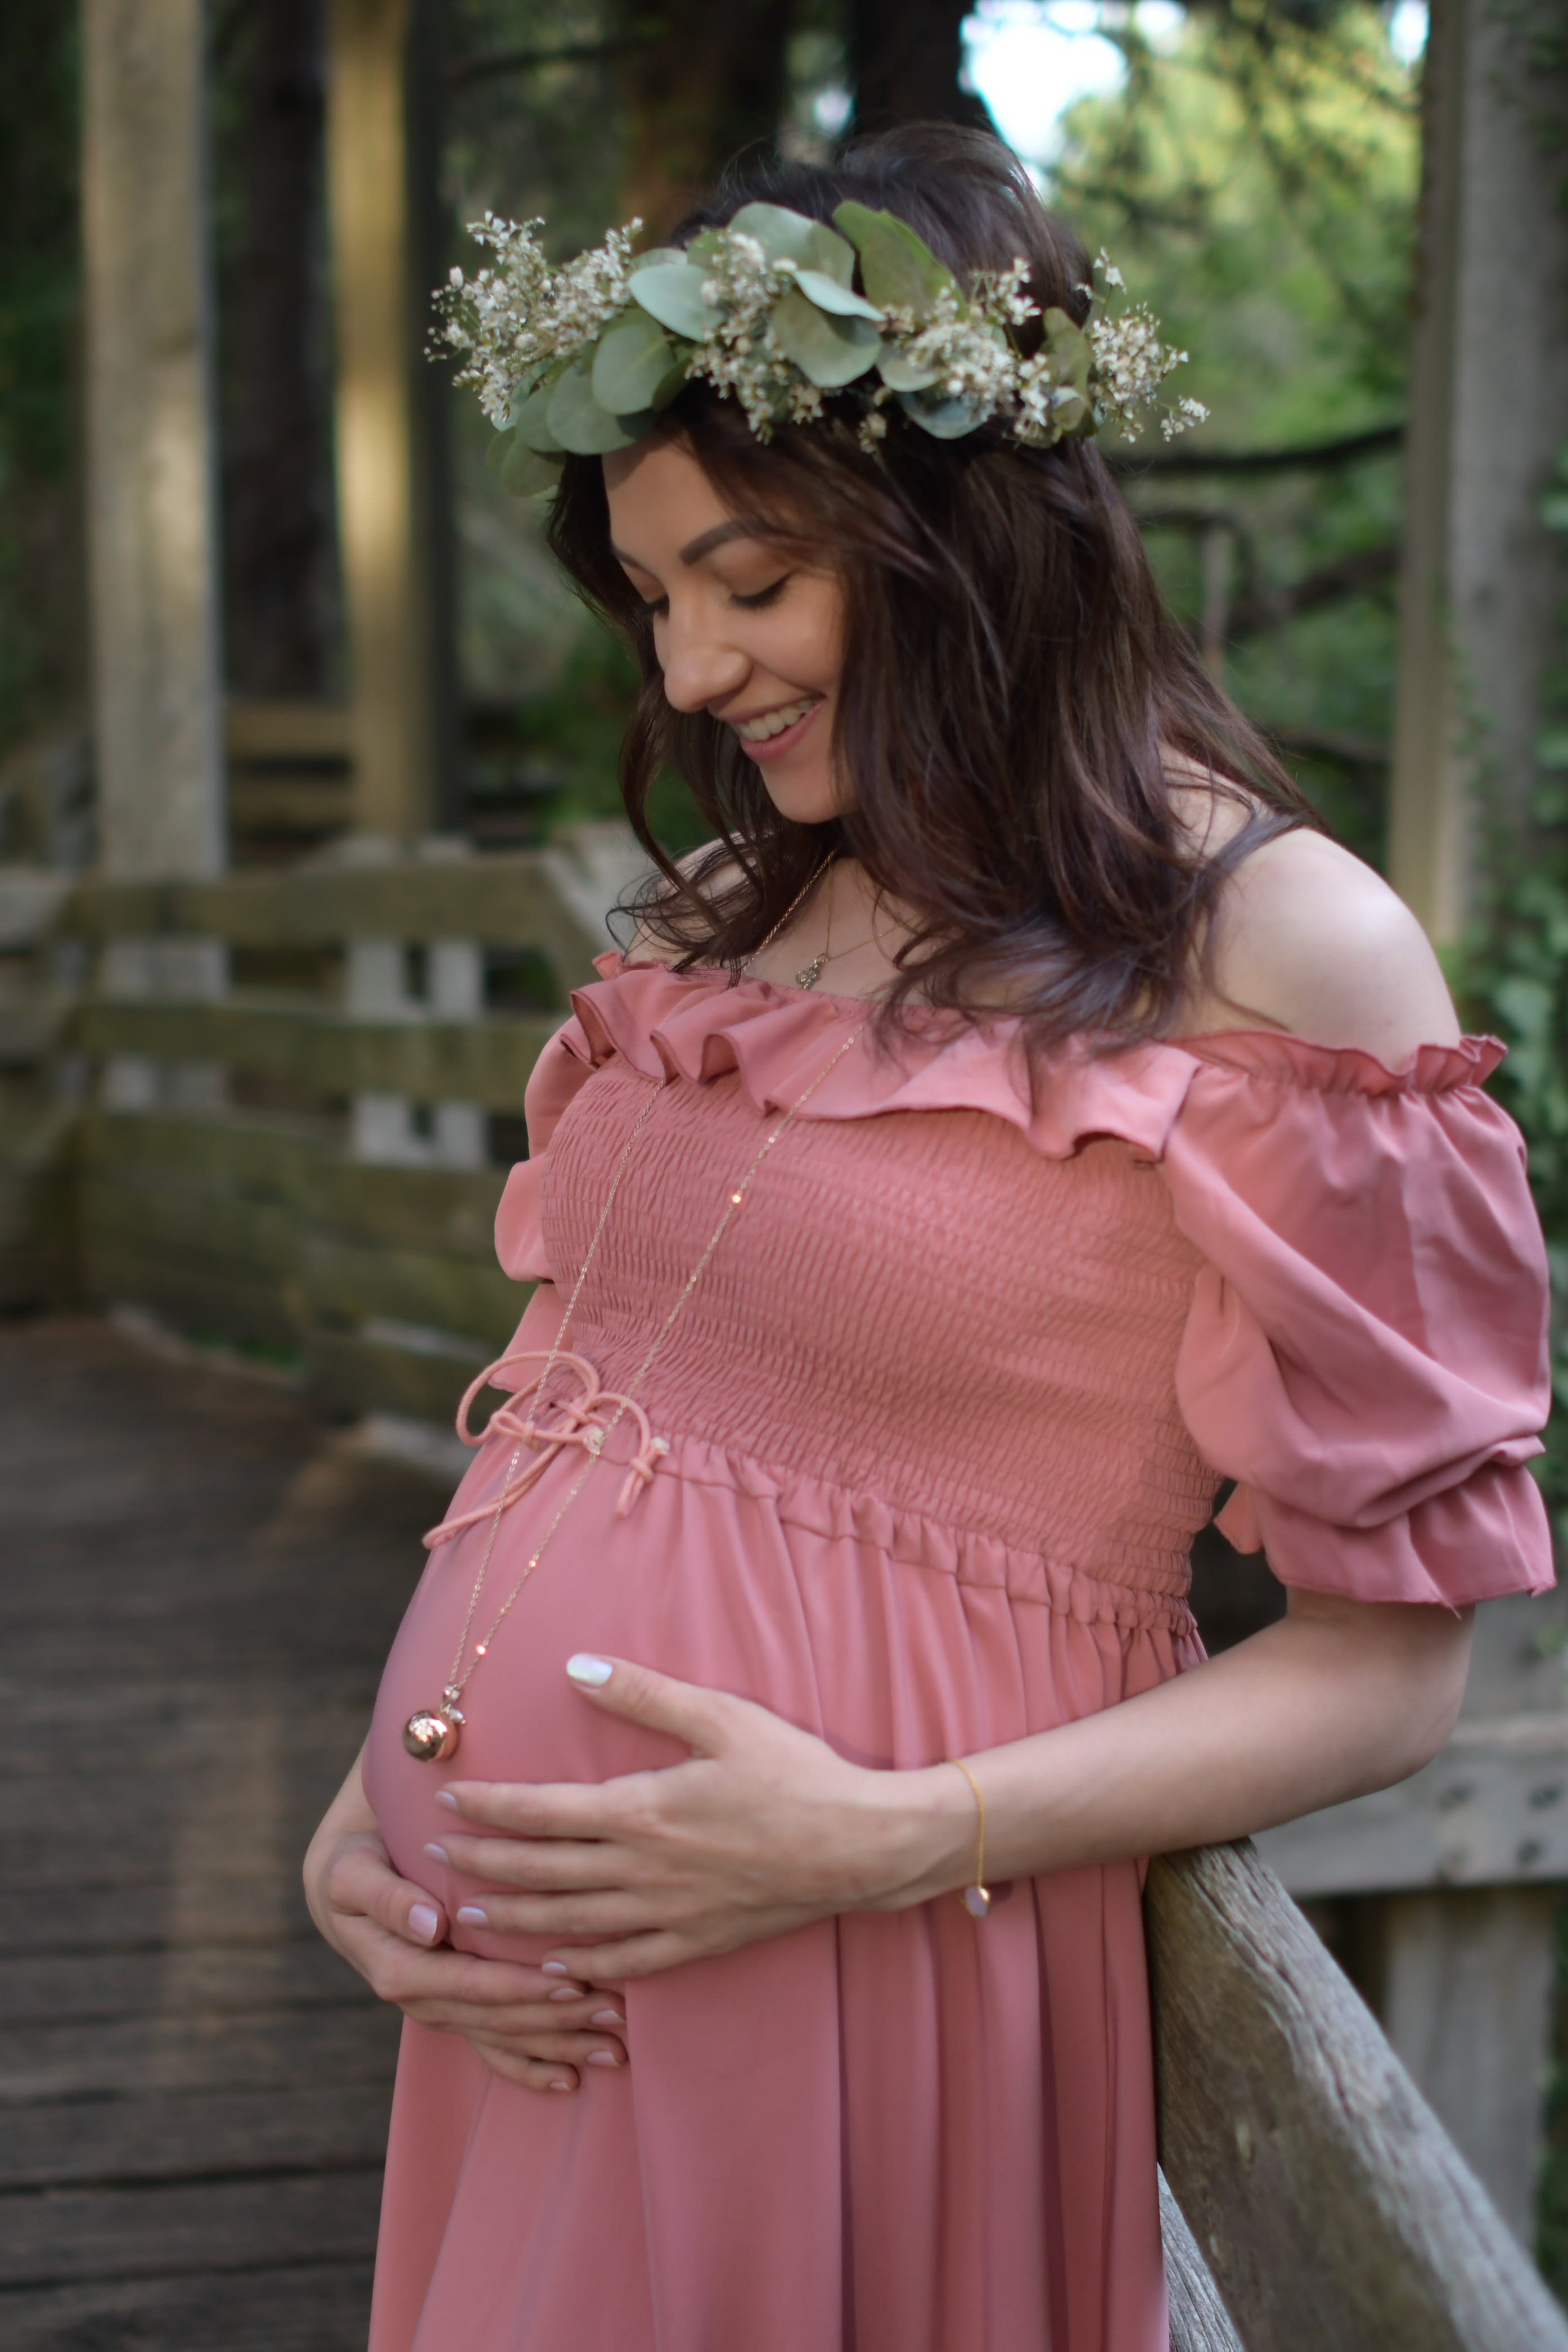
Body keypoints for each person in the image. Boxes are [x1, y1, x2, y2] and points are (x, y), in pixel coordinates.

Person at [304, 127, 1553, 2351]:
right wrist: (381, 1796)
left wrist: (885, 1833)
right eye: (652, 597)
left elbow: (1395, 1673)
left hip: (861, 1967)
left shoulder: (1285, 952)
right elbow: (602, 1400)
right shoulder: (733, 914)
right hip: (520, 1993)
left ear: (958, 529)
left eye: (747, 584)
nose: (687, 671)